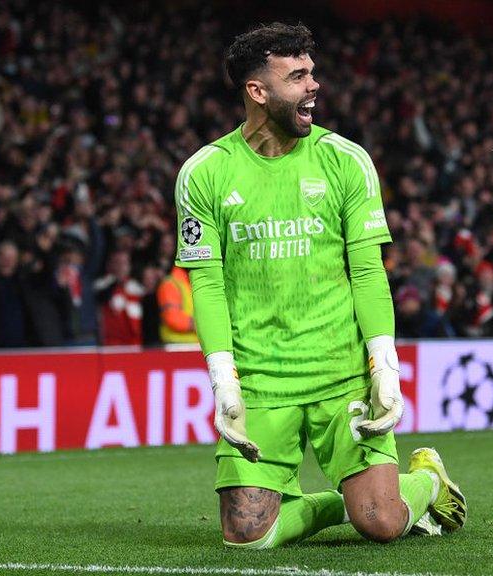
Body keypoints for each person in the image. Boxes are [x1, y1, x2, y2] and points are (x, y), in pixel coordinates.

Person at [174, 23, 466, 549]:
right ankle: (339, 505)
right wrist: (225, 381)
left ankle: (427, 481)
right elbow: (208, 285)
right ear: (257, 92)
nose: (314, 85)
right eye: (297, 76)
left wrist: (385, 366)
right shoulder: (205, 173)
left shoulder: (345, 161)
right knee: (246, 537)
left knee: (380, 521)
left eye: (313, 72)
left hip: (340, 373)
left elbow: (368, 272)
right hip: (262, 377)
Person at [156, 266, 198, 344]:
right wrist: (202, 325)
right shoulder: (170, 284)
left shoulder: (192, 282)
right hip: (176, 345)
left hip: (193, 345)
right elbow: (173, 318)